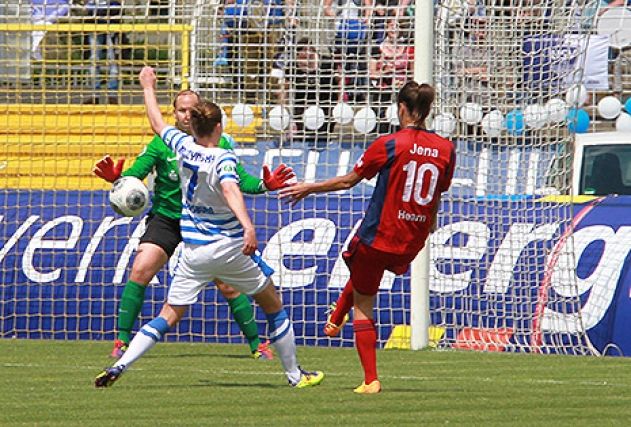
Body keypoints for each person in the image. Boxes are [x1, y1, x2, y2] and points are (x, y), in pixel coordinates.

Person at [94, 66, 324, 389]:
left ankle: (120, 365)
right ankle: (295, 375)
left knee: (167, 316)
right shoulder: (223, 158)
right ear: (218, 127)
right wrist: (248, 226)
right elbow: (231, 188)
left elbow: (156, 122)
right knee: (273, 304)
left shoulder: (181, 147)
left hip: (193, 252)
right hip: (228, 247)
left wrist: (148, 86)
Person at [280, 81, 455, 394]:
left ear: (401, 108)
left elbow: (349, 181)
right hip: (412, 239)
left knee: (363, 296)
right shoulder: (446, 149)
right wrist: (429, 224)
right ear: (428, 110)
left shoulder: (390, 143)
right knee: (364, 273)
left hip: (380, 234)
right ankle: (335, 320)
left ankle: (370, 379)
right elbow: (438, 192)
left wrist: (308, 187)